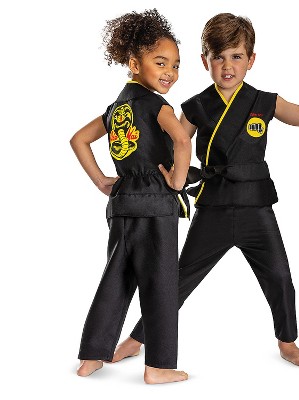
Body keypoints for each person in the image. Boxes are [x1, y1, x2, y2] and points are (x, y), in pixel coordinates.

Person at [113, 12, 299, 368]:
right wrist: (153, 174)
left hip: (256, 207)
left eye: (236, 56)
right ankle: (137, 338)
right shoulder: (196, 106)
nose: (228, 66)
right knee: (178, 280)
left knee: (280, 277)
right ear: (205, 61)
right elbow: (172, 147)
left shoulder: (264, 101)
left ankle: (287, 342)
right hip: (213, 206)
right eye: (219, 57)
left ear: (251, 60)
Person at [70, 9, 191, 384]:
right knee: (161, 283)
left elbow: (79, 140)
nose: (170, 72)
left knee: (117, 278)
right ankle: (158, 366)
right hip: (155, 202)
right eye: (160, 62)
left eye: (175, 64)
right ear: (134, 64)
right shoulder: (157, 106)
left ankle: (92, 356)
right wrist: (176, 181)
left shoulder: (115, 110)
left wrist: (101, 181)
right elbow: (182, 139)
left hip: (122, 202)